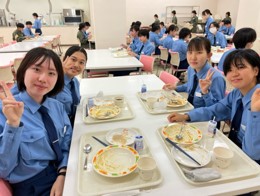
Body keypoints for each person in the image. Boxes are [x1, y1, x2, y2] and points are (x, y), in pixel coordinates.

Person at [0, 47, 72, 195]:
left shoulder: (57, 107)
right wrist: (13, 125)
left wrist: (62, 173)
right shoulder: (6, 110)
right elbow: (3, 169)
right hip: (33, 185)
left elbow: (66, 141)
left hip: (61, 171)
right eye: (37, 69)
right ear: (23, 70)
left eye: (51, 73)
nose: (43, 78)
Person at [167, 49, 260, 164]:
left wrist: (255, 113)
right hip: (232, 152)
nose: (234, 74)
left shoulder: (257, 100)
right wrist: (187, 116)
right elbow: (215, 110)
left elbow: (253, 153)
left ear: (256, 70)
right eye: (230, 70)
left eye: (240, 67)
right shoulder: (236, 94)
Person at [164, 37, 226, 109]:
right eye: (190, 52)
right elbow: (190, 85)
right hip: (189, 109)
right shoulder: (191, 68)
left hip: (203, 118)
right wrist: (176, 88)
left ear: (209, 55)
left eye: (199, 52)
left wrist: (205, 93)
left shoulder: (216, 78)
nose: (193, 57)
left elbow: (218, 110)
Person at [53, 46, 87, 127]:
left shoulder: (75, 81)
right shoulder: (53, 82)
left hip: (75, 123)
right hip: (60, 127)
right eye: (73, 59)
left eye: (81, 62)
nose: (76, 65)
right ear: (64, 59)